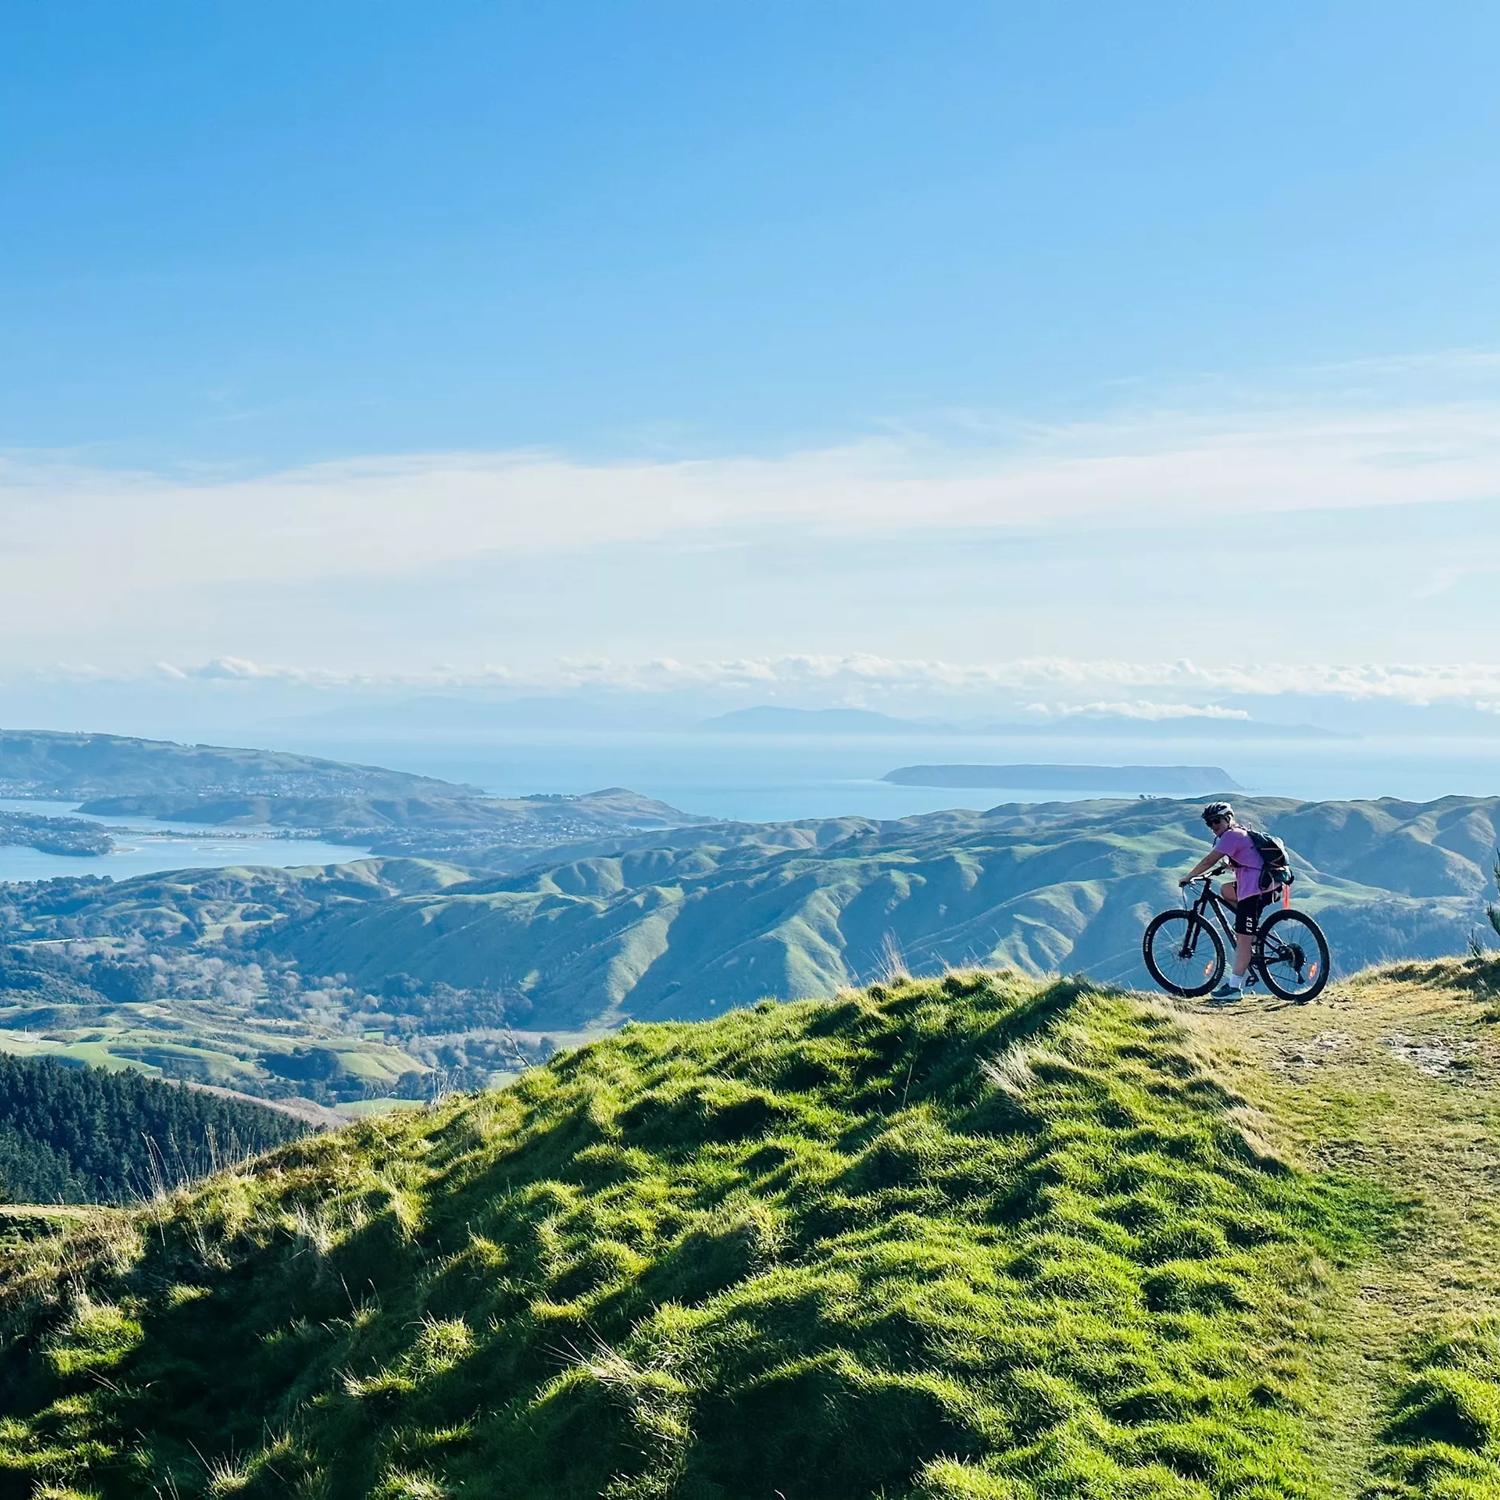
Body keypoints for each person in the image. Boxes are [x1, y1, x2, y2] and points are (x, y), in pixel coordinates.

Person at [1179, 801, 1271, 1001]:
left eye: (1216, 821)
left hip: (1254, 890)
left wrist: (1189, 876)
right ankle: (1252, 931)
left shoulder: (1232, 835)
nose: (1213, 826)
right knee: (1226, 890)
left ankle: (1234, 988)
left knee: (1242, 941)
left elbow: (1208, 860)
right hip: (1264, 886)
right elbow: (1244, 858)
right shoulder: (1239, 832)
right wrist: (1224, 868)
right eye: (1209, 823)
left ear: (1228, 818)